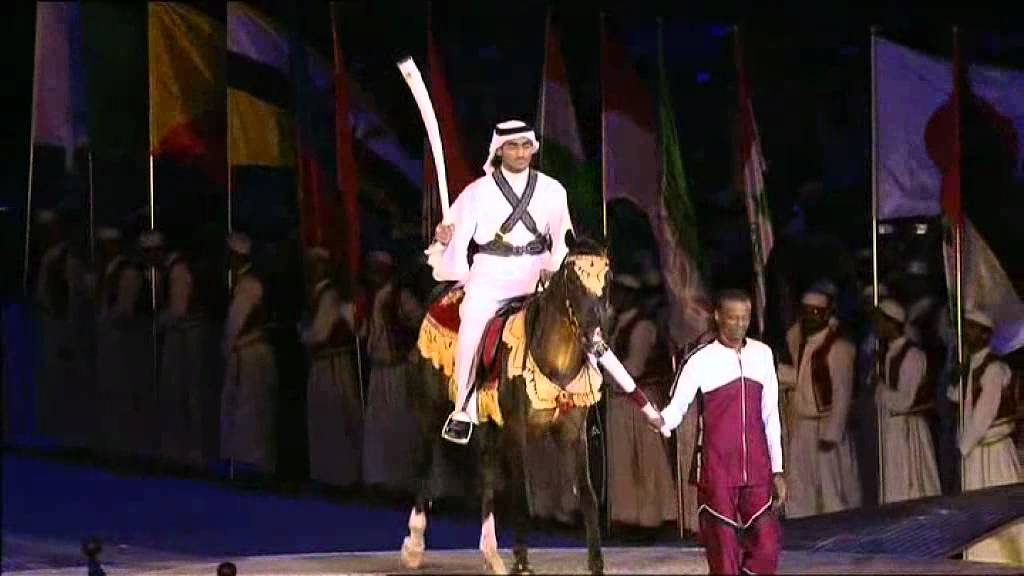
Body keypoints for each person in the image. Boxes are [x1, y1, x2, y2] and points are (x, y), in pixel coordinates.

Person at [433, 120, 574, 444]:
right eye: (513, 146)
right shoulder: (476, 192)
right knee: (471, 323)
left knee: (580, 321)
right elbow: (452, 233)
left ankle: (586, 390)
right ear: (499, 150)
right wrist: (444, 238)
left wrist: (553, 265)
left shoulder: (553, 190)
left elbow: (563, 238)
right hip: (491, 275)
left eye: (526, 146)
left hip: (538, 272)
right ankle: (463, 407)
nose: (521, 152)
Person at [658, 289, 785, 575]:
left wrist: (777, 469)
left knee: (767, 548)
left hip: (757, 470)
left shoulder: (762, 355)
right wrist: (662, 421)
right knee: (724, 559)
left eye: (745, 318)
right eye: (732, 318)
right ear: (717, 317)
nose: (740, 325)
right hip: (716, 472)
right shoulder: (700, 360)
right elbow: (676, 407)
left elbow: (770, 414)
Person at [777, 285, 861, 517]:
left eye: (815, 312)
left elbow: (842, 393)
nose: (809, 317)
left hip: (825, 426)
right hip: (803, 425)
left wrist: (832, 434)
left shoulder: (839, 348)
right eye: (806, 311)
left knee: (831, 488)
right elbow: (802, 378)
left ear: (825, 314)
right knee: (801, 484)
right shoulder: (804, 342)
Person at [948, 309, 1023, 564]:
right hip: (975, 450)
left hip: (992, 451)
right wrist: (955, 374)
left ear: (985, 334)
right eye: (965, 327)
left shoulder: (994, 369)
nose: (966, 333)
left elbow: (983, 415)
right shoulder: (974, 365)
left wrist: (963, 445)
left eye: (972, 328)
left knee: (998, 509)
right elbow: (957, 398)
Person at [606, 273, 677, 530]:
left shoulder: (643, 326)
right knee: (623, 461)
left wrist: (604, 370)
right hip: (619, 402)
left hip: (642, 399)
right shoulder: (614, 324)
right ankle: (627, 517)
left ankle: (654, 517)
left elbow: (634, 368)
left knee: (648, 460)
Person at [301, 247, 362, 488]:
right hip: (322, 364)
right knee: (324, 422)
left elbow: (319, 333)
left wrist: (303, 334)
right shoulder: (315, 294)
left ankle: (341, 478)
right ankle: (328, 476)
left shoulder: (328, 296)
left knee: (336, 421)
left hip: (333, 365)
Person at [873, 299, 941, 503]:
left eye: (881, 322)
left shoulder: (913, 355)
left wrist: (880, 387)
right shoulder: (887, 352)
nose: (877, 327)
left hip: (907, 429)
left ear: (892, 323)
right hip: (891, 427)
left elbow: (905, 401)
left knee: (910, 483)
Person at [220, 232, 277, 472]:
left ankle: (252, 466)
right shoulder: (247, 282)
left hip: (250, 354)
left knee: (249, 412)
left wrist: (228, 348)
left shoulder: (248, 285)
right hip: (250, 352)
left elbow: (236, 324)